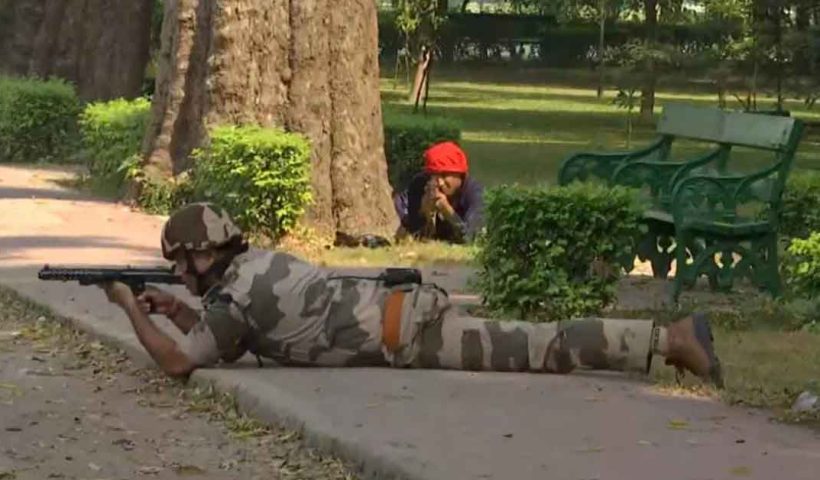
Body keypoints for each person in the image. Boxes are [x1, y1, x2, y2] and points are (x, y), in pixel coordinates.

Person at [99, 202, 724, 388]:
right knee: (542, 342)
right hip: (401, 315)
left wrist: (132, 306)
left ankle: (672, 340)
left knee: (546, 346)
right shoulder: (251, 270)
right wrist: (179, 312)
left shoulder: (233, 294)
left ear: (203, 256)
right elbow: (232, 344)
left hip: (406, 331)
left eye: (183, 264)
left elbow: (182, 363)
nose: (180, 274)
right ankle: (668, 340)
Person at [393, 141, 484, 244]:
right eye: (434, 176)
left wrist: (447, 211)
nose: (440, 183)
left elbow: (472, 238)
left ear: (460, 174)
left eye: (445, 175)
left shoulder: (474, 192)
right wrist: (424, 212)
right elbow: (413, 234)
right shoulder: (420, 184)